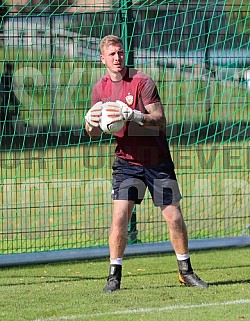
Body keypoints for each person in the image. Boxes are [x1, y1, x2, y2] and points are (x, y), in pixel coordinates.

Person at [85, 35, 208, 292]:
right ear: (102, 59)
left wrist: (135, 115)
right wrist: (89, 122)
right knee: (120, 216)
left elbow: (160, 120)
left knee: (173, 216)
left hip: (156, 160)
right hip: (126, 162)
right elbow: (95, 132)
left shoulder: (142, 81)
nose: (117, 58)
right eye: (112, 54)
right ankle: (114, 276)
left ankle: (185, 271)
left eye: (120, 53)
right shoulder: (100, 89)